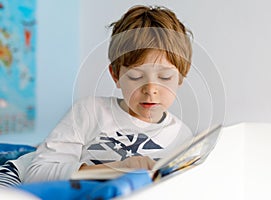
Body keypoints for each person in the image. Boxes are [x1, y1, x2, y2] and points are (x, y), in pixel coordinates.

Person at [24, 5, 193, 182]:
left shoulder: (182, 136)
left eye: (165, 77)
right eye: (136, 76)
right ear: (116, 75)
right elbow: (35, 175)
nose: (150, 89)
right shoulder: (90, 111)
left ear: (181, 77)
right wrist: (119, 168)